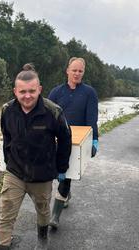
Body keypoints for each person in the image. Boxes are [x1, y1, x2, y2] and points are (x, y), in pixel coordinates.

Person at [0, 63, 72, 250]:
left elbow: (65, 139)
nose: (27, 96)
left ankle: (42, 239)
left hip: (42, 174)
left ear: (39, 89)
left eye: (32, 91)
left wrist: (61, 169)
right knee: (5, 215)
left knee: (43, 210)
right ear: (15, 91)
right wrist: (8, 162)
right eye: (22, 92)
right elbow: (6, 137)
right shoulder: (7, 110)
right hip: (15, 173)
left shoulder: (53, 111)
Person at [48, 57, 99, 229]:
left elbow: (92, 119)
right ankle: (66, 194)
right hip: (56, 138)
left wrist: (94, 140)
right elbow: (48, 117)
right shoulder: (55, 92)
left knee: (66, 175)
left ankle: (55, 216)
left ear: (83, 73)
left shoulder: (89, 93)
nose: (77, 73)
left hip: (77, 142)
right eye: (74, 70)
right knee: (56, 174)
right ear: (67, 71)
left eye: (80, 71)